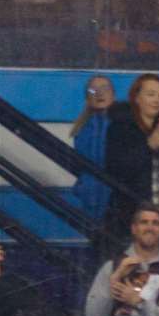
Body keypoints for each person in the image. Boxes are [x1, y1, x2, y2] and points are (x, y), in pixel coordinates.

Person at [103, 73, 159, 238]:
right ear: (136, 98)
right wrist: (149, 146)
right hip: (131, 215)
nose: (157, 100)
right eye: (150, 94)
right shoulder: (120, 128)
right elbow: (115, 171)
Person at [68, 75, 116, 224]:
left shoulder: (122, 124)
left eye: (104, 88)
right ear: (88, 97)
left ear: (113, 95)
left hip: (114, 197)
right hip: (90, 196)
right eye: (94, 90)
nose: (99, 93)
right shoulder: (82, 127)